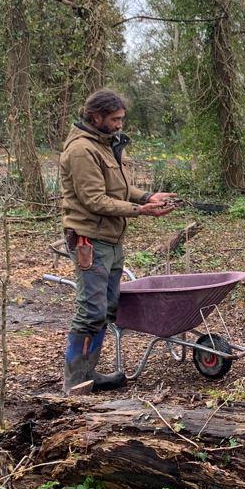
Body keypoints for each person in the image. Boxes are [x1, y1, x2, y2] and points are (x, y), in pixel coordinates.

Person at [59, 89, 176, 395]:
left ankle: (89, 373)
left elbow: (119, 188)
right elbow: (95, 200)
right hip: (90, 240)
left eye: (122, 119)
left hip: (110, 239)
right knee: (90, 311)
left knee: (107, 309)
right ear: (95, 116)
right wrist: (141, 210)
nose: (120, 125)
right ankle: (76, 382)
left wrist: (148, 196)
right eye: (115, 119)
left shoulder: (105, 146)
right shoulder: (82, 150)